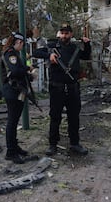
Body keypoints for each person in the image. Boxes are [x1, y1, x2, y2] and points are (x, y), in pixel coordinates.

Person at [33, 23, 91, 156]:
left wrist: (87, 44)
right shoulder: (52, 47)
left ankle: (75, 144)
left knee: (74, 117)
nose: (64, 35)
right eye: (62, 33)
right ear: (59, 34)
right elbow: (36, 52)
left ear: (71, 34)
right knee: (55, 117)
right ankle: (53, 145)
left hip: (72, 88)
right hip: (56, 88)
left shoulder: (74, 48)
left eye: (67, 33)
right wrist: (49, 56)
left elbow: (86, 56)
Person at [0, 32, 33, 164]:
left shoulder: (13, 53)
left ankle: (14, 146)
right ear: (19, 43)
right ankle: (10, 152)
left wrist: (28, 74)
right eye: (22, 44)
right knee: (12, 122)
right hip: (12, 91)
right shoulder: (11, 53)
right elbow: (15, 71)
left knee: (14, 121)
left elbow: (17, 72)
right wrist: (27, 68)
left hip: (16, 90)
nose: (22, 47)